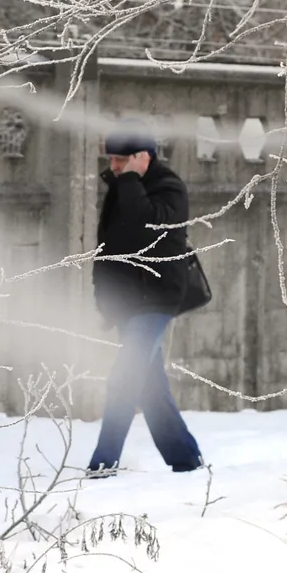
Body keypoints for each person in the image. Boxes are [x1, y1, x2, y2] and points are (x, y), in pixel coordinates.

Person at [86, 122, 207, 477]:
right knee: (150, 387)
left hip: (155, 299)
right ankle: (186, 460)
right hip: (127, 303)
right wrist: (105, 298)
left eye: (122, 160)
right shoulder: (123, 186)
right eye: (112, 159)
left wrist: (129, 180)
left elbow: (147, 226)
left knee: (124, 378)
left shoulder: (169, 188)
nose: (115, 167)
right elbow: (109, 248)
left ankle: (102, 465)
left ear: (143, 158)